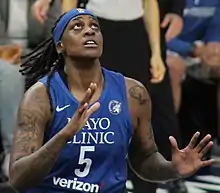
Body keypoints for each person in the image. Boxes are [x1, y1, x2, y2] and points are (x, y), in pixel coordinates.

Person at [9, 8, 214, 193]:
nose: (89, 31)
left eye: (94, 27)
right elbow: (18, 179)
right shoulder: (40, 96)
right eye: (77, 27)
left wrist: (173, 169)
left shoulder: (132, 93)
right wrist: (63, 136)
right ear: (60, 45)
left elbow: (144, 160)